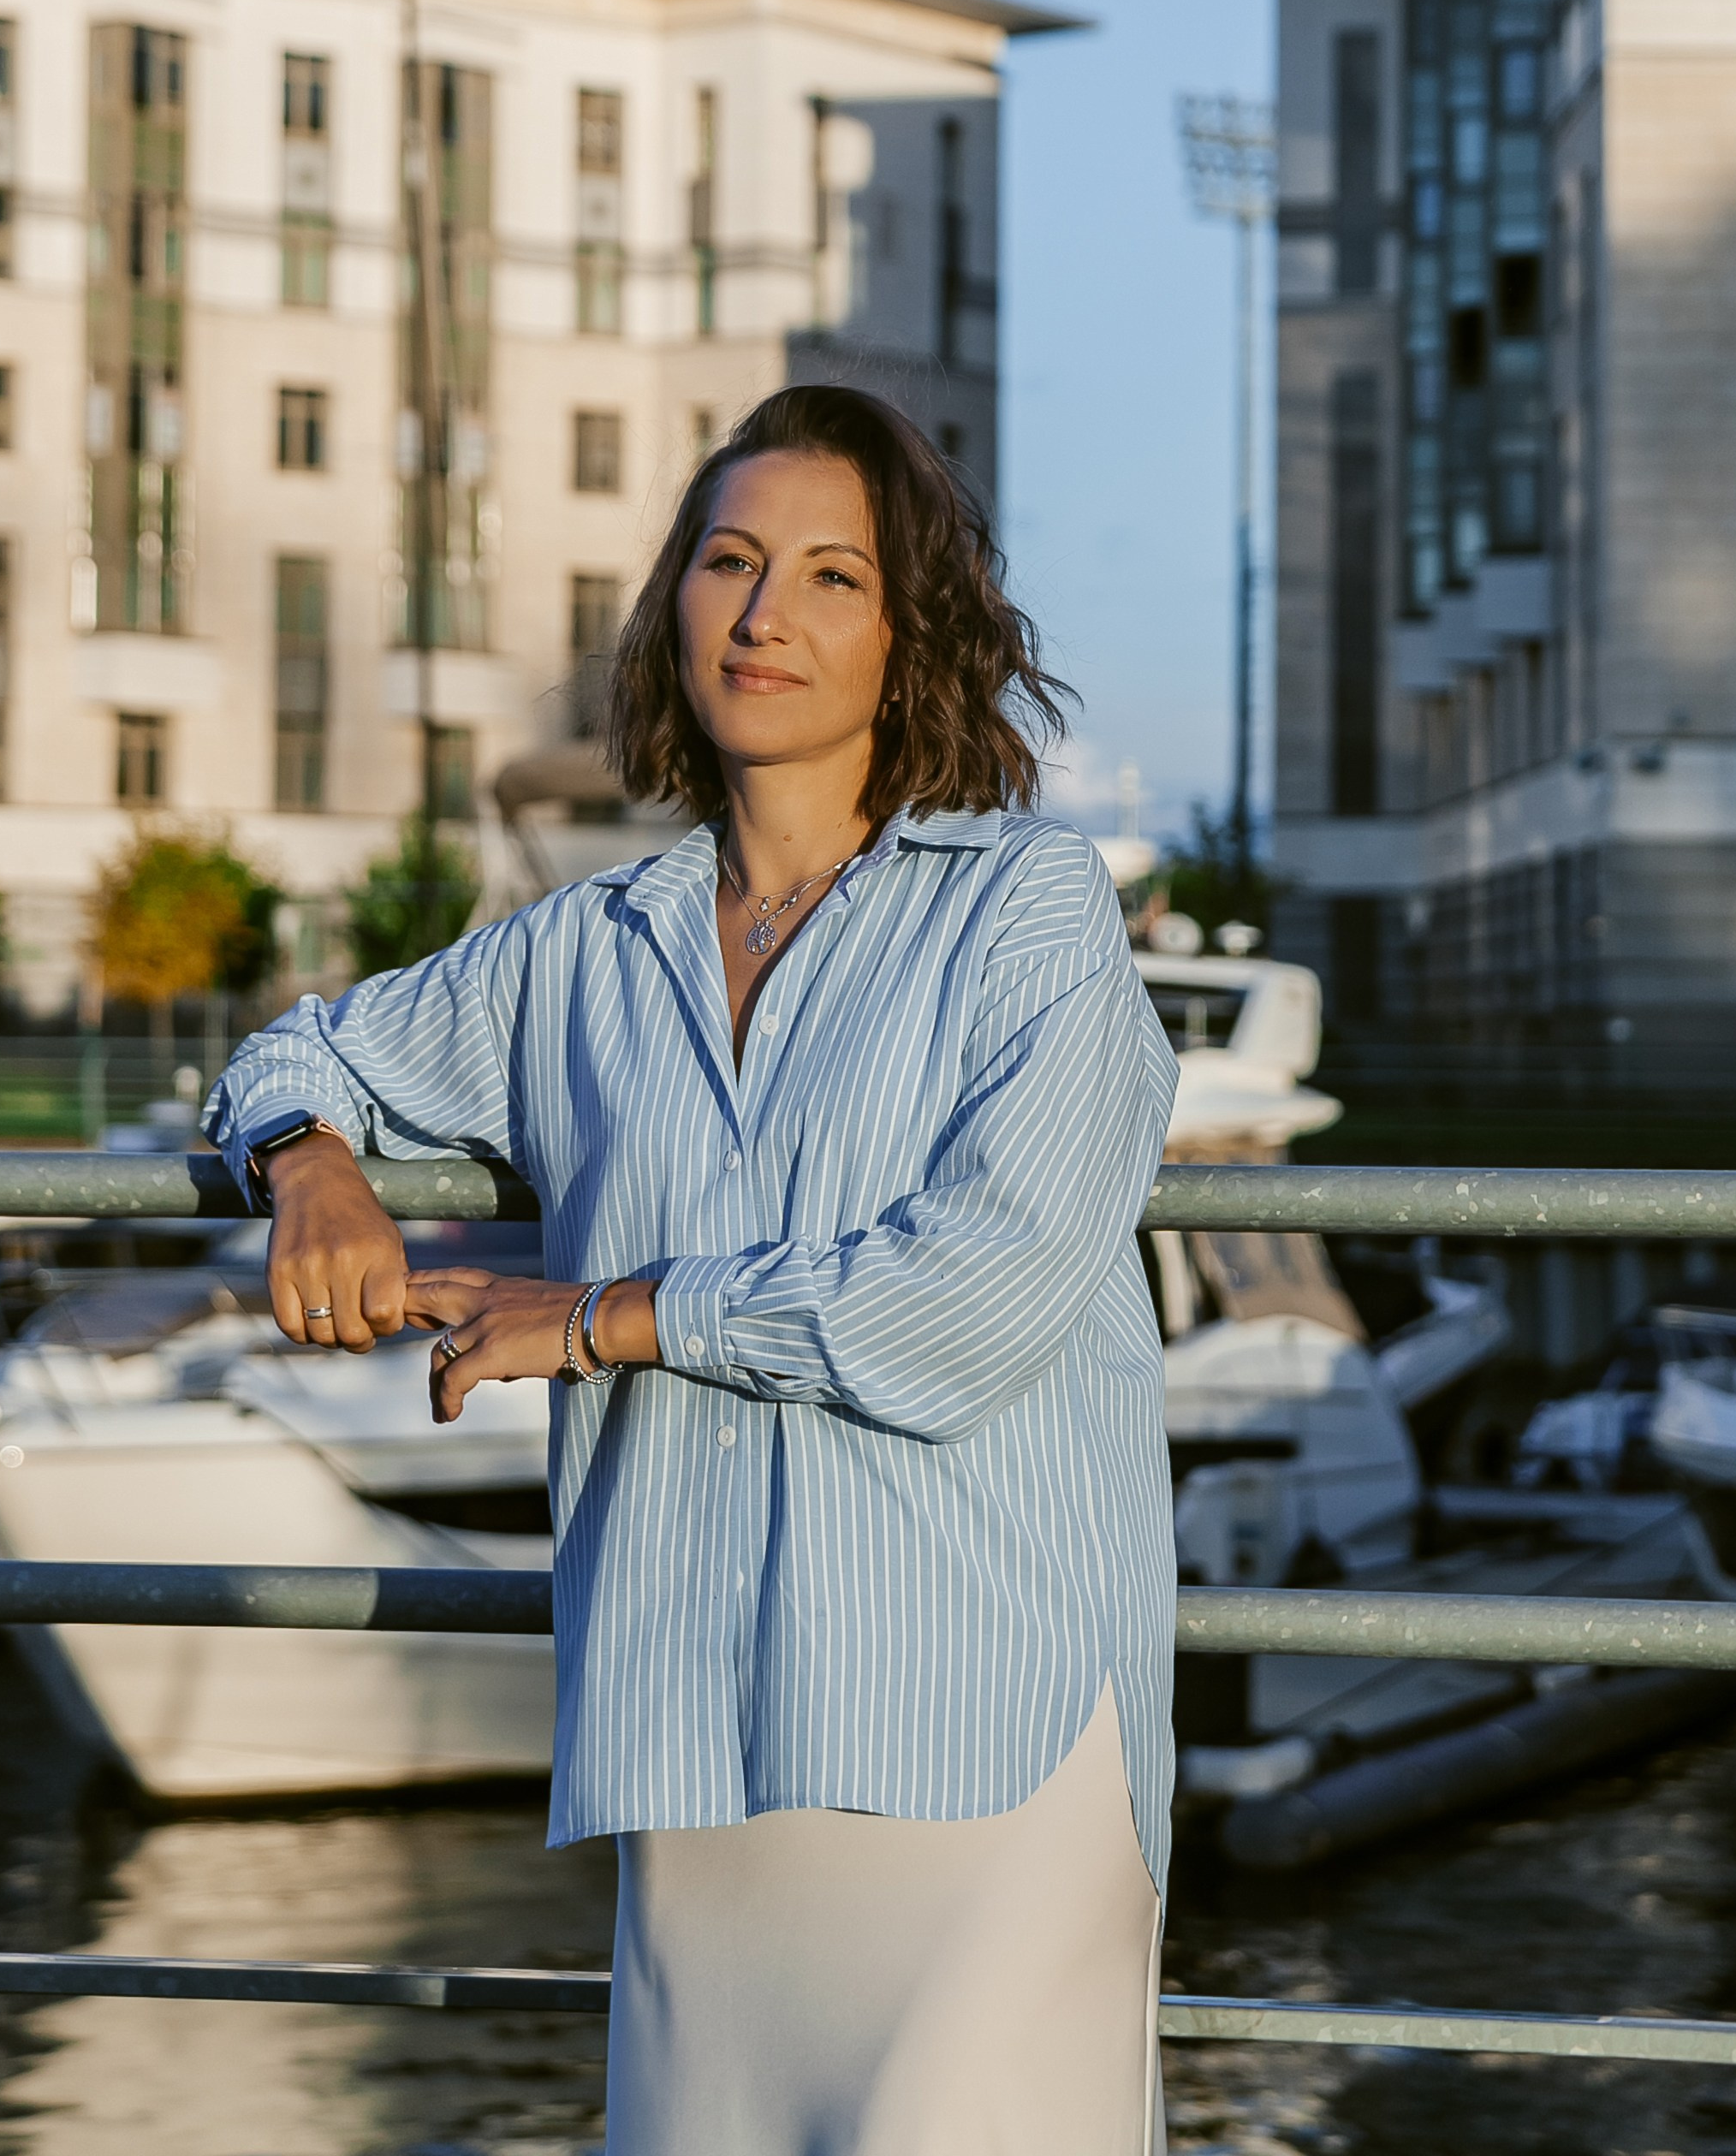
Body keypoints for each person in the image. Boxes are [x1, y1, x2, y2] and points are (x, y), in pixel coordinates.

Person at [209, 384, 1177, 2155]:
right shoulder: (585, 952)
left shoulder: (1027, 907)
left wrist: (602, 1319)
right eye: (730, 564)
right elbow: (295, 1051)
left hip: (986, 1726)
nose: (764, 617)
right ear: (674, 604)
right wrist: (311, 1168)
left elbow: (979, 1291)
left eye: (830, 577)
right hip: (695, 1747)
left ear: (912, 634)